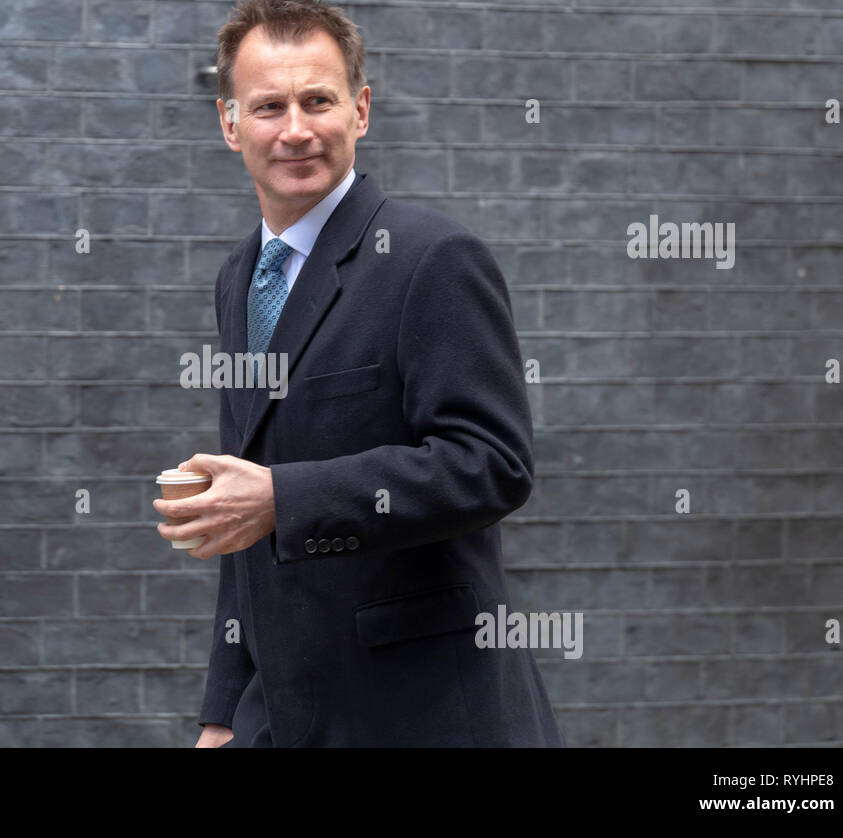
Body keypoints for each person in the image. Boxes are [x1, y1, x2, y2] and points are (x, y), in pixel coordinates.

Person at [154, 0, 566, 747]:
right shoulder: (239, 278)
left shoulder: (431, 258)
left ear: (361, 108)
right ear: (229, 124)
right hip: (289, 711)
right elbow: (241, 513)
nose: (296, 129)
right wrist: (222, 711)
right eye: (268, 107)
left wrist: (285, 497)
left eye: (318, 100)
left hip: (429, 713)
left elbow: (493, 466)